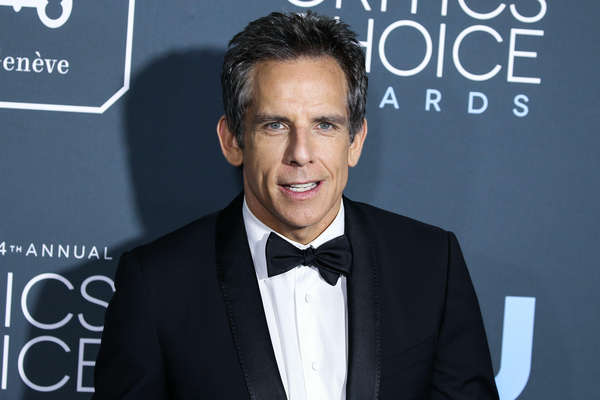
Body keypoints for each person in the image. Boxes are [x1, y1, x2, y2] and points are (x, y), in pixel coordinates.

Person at [93, 11, 499, 400]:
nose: (301, 154)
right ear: (232, 141)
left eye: (325, 125)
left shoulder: (432, 264)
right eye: (275, 125)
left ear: (355, 141)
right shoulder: (157, 285)